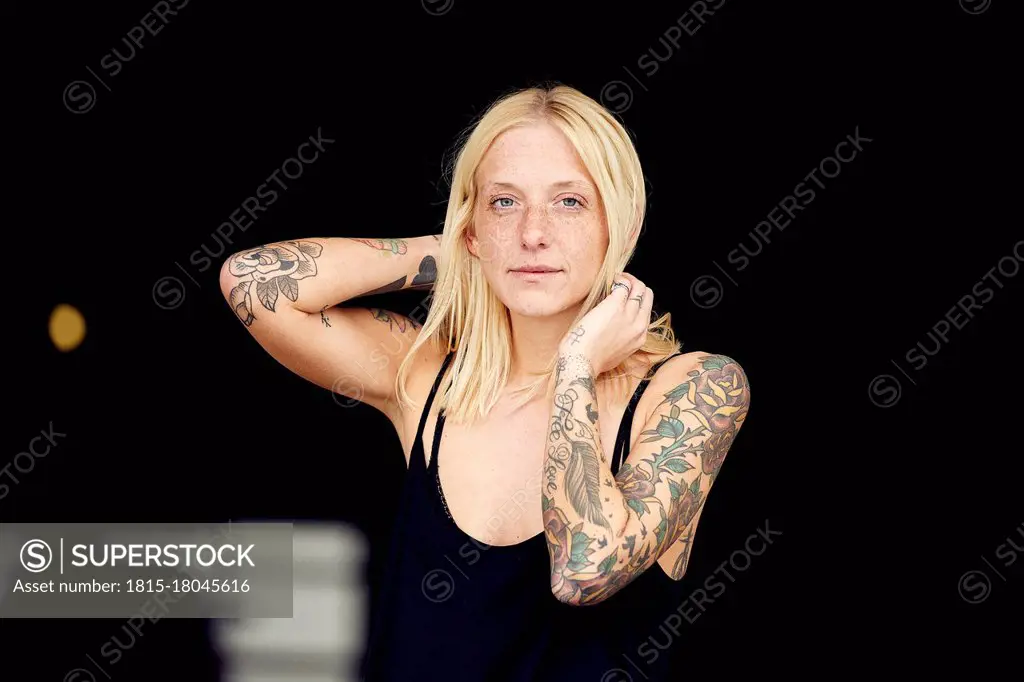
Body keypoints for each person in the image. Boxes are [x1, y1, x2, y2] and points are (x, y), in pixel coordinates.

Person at [218, 83, 751, 681]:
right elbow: (252, 281)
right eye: (504, 203)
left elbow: (583, 571)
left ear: (620, 229)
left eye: (569, 202)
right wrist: (456, 248)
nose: (532, 234)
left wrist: (576, 364)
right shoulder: (425, 376)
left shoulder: (692, 387)